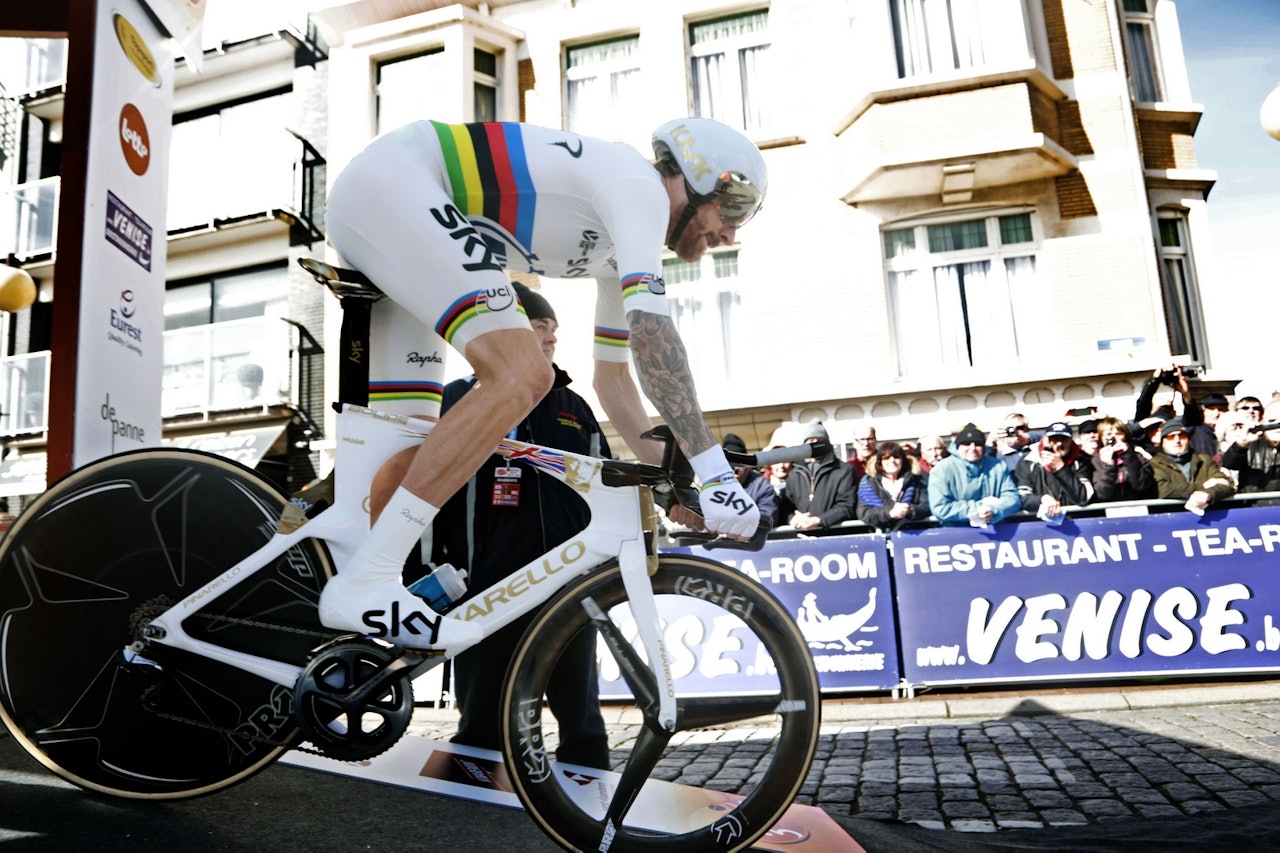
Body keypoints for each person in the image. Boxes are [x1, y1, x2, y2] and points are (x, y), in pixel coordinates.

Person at [316, 116, 769, 643]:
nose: (731, 232)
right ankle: (367, 582)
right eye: (732, 210)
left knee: (407, 444)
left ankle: (329, 585)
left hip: (384, 203)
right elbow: (653, 338)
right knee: (525, 374)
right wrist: (716, 473)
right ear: (695, 181)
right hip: (400, 183)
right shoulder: (639, 188)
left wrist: (671, 480)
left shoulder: (618, 247)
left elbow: (613, 380)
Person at [432, 284, 609, 767]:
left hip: (567, 579)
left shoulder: (573, 405)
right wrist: (432, 566)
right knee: (483, 721)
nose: (551, 338)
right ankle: (473, 794)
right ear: (509, 331)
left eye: (554, 329)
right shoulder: (456, 399)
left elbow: (606, 484)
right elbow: (428, 491)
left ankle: (589, 790)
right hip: (486, 586)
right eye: (539, 327)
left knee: (582, 718)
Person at [927, 423, 1021, 527]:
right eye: (966, 444)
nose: (973, 448)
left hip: (995, 528)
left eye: (978, 444)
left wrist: (993, 510)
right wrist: (979, 509)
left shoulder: (998, 466)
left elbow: (1012, 498)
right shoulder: (941, 469)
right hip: (955, 531)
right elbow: (940, 508)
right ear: (958, 446)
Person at [1149, 418, 1236, 513]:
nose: (1177, 440)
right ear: (1163, 442)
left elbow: (1226, 484)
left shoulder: (1204, 460)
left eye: (1182, 436)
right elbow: (1163, 489)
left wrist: (1208, 493)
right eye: (1171, 437)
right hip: (1170, 515)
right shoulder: (1155, 462)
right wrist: (1202, 486)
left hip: (1207, 515)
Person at [1013, 421, 1095, 521]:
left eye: (1064, 439)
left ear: (1071, 441)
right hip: (1039, 523)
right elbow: (1022, 497)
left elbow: (1084, 497)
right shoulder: (1028, 461)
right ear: (1045, 440)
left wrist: (1061, 468)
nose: (1059, 443)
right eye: (1054, 439)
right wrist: (1042, 499)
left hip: (1077, 521)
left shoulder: (1081, 460)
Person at [784, 420, 857, 531]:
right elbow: (786, 506)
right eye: (811, 440)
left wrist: (819, 520)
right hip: (801, 535)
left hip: (833, 533)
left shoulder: (844, 470)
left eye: (819, 441)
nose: (815, 444)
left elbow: (846, 505)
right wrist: (792, 518)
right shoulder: (794, 472)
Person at [855, 440, 930, 530]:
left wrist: (910, 510)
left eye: (896, 457)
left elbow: (927, 506)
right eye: (886, 458)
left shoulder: (917, 480)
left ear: (903, 460)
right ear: (880, 462)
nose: (892, 461)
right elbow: (863, 512)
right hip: (880, 534)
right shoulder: (868, 483)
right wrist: (889, 513)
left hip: (911, 533)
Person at [1219, 399, 1280, 496]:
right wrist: (1241, 444)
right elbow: (1229, 464)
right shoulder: (1251, 443)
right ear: (1262, 421)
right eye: (1272, 421)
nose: (1277, 426)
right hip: (1252, 502)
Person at [1091, 416, 1157, 502]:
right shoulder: (1095, 460)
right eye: (1108, 434)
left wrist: (1129, 456)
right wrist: (1108, 466)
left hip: (1137, 504)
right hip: (1110, 506)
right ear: (1101, 438)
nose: (1114, 438)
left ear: (1125, 435)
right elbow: (1102, 493)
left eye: (1118, 434)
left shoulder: (1138, 455)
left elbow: (1141, 484)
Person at [722, 433, 781, 528]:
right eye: (729, 463)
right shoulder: (716, 484)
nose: (734, 468)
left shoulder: (761, 485)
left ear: (746, 464)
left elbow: (768, 517)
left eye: (738, 463)